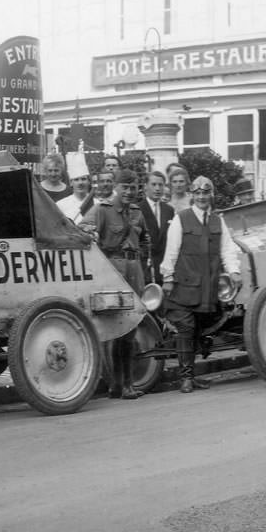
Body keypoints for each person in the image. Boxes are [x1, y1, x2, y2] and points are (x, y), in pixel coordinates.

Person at [160, 176, 241, 393]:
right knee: (186, 329)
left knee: (197, 329)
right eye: (198, 193)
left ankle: (192, 377)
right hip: (183, 285)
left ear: (211, 195)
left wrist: (234, 271)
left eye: (206, 193)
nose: (202, 197)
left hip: (207, 287)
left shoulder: (217, 220)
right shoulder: (181, 219)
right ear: (192, 195)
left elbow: (227, 249)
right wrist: (167, 278)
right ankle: (186, 378)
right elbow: (171, 251)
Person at [81, 169, 151, 400]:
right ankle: (117, 384)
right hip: (113, 273)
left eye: (134, 187)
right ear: (116, 187)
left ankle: (126, 384)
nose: (130, 192)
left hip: (135, 272)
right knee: (114, 330)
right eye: (125, 187)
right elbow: (83, 231)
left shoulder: (137, 213)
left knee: (130, 330)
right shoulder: (102, 210)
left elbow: (144, 241)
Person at [138, 171, 174, 285]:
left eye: (160, 185)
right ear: (145, 187)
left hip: (164, 267)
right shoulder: (137, 209)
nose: (157, 188)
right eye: (154, 184)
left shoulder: (169, 210)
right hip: (145, 267)